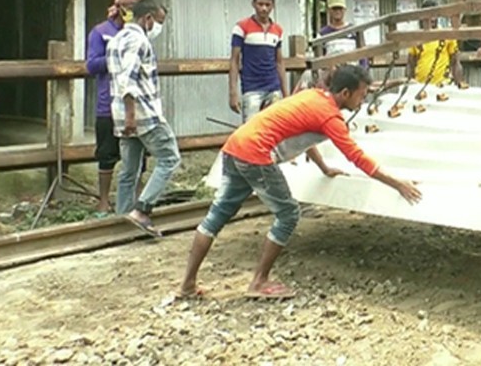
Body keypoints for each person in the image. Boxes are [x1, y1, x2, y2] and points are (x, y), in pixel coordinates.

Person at [179, 65, 422, 299]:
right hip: (256, 153)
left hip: (235, 146)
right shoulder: (331, 118)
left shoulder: (314, 96)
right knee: (288, 214)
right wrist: (398, 183)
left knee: (217, 215)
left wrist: (324, 168)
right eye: (362, 95)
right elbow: (358, 158)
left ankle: (187, 285)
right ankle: (259, 281)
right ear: (345, 93)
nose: (363, 101)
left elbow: (305, 136)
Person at [107, 0, 180, 235]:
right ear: (147, 18)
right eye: (158, 22)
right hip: (143, 115)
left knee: (129, 170)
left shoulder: (116, 39)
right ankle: (142, 209)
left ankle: (123, 218)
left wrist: (126, 118)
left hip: (120, 116)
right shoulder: (139, 41)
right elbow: (128, 81)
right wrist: (131, 116)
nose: (158, 27)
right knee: (170, 158)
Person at [86, 0, 144, 213]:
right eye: (129, 7)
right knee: (106, 155)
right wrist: (117, 55)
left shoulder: (139, 33)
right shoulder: (101, 32)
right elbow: (91, 64)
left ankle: (136, 202)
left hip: (136, 104)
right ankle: (103, 202)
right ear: (118, 7)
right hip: (108, 104)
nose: (132, 11)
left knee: (138, 155)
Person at [229, 0, 289, 122]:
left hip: (273, 88)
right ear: (253, 4)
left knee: (276, 129)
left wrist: (286, 94)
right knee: (250, 131)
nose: (264, 8)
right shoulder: (241, 27)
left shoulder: (277, 30)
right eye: (260, 4)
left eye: (267, 5)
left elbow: (279, 62)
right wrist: (233, 93)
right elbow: (234, 61)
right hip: (251, 89)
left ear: (273, 6)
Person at [407, 0, 464, 87]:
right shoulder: (416, 38)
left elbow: (456, 62)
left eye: (434, 15)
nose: (432, 19)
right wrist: (408, 86)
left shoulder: (446, 35)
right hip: (420, 87)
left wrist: (459, 85)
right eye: (429, 15)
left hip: (443, 86)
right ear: (422, 17)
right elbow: (410, 64)